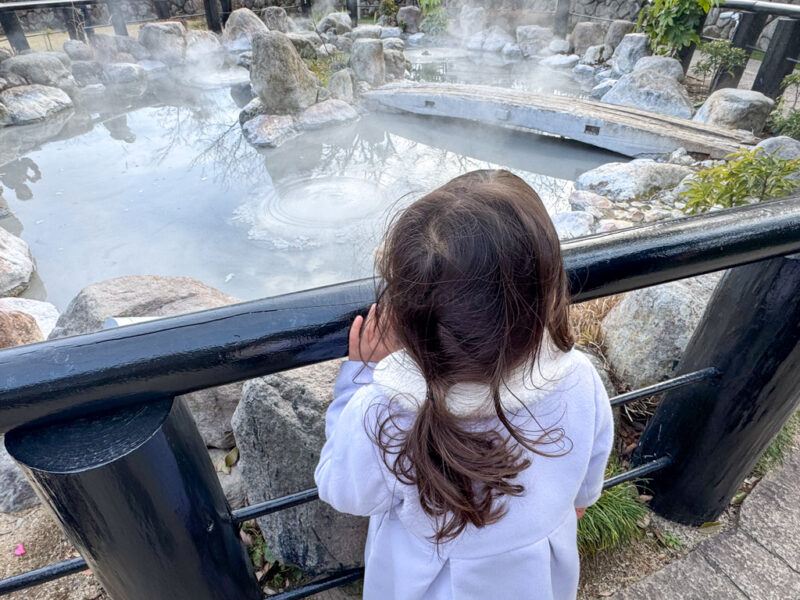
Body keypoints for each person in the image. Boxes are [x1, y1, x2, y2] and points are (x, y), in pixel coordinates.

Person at [314, 170, 613, 600]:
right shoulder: (578, 374)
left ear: (409, 314)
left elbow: (342, 489)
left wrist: (357, 378)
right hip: (534, 578)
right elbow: (587, 478)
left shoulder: (387, 410)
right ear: (542, 286)